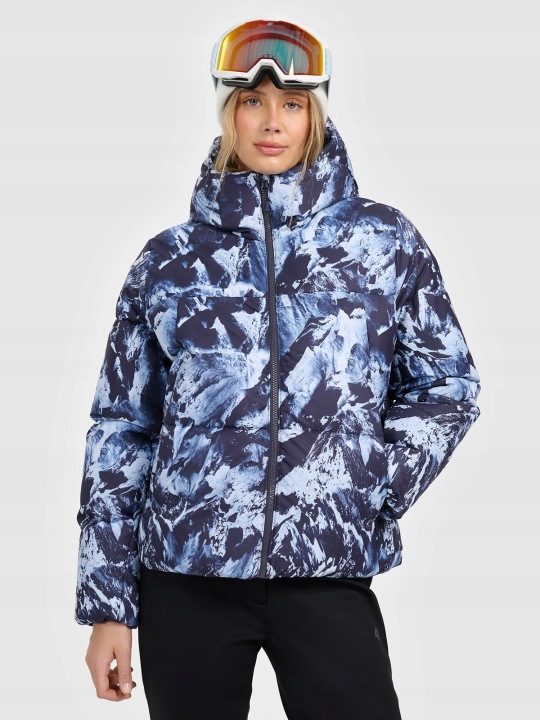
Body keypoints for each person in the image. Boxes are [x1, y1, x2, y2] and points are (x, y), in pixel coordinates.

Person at [75, 17, 481, 720]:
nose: (272, 122)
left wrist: (368, 483)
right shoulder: (169, 261)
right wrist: (109, 605)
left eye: (292, 104)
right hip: (186, 575)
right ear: (227, 113)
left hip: (326, 569)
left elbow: (448, 386)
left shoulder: (382, 243)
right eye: (252, 102)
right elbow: (121, 430)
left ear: (314, 113)